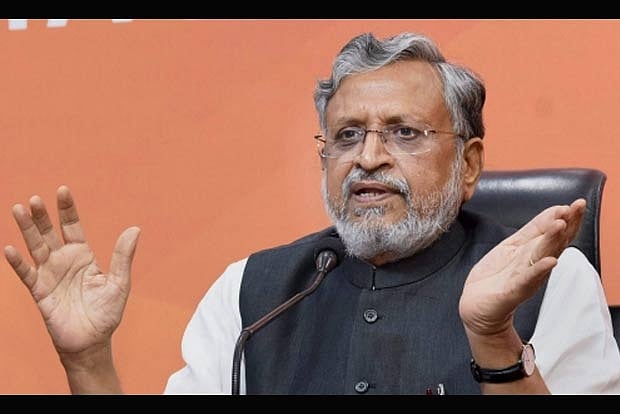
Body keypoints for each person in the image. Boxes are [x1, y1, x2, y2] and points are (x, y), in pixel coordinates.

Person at [4, 32, 620, 395]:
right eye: (348, 135)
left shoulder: (549, 282)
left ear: (468, 164)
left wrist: (494, 338)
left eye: (403, 132)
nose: (368, 158)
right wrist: (88, 361)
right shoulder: (252, 293)